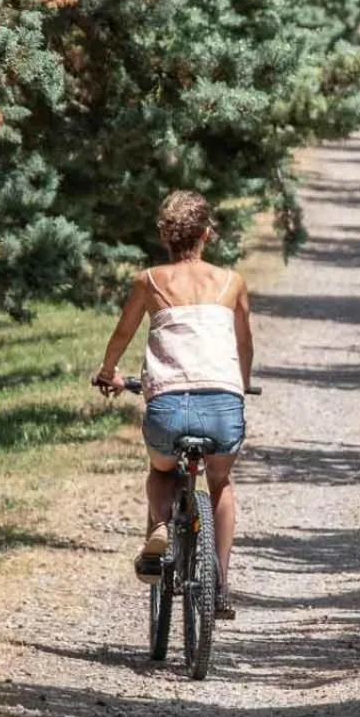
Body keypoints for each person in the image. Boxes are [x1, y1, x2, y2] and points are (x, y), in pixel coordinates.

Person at [92, 190, 253, 618]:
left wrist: (109, 371)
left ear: (166, 237)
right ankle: (219, 585)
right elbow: (243, 341)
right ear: (206, 234)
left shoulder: (148, 281)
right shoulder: (231, 281)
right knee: (220, 484)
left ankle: (161, 525)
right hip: (222, 405)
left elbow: (123, 335)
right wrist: (243, 383)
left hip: (168, 407)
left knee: (161, 469)